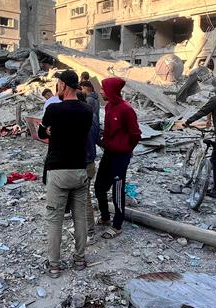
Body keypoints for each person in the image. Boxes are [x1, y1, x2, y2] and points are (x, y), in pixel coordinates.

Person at [38, 70, 93, 276]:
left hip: (57, 170)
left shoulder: (53, 109)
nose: (57, 87)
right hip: (79, 169)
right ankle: (79, 259)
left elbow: (42, 132)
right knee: (80, 218)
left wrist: (52, 131)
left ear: (63, 85)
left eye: (58, 83)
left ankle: (54, 265)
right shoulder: (87, 110)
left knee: (54, 219)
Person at [95, 77, 141, 239]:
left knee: (117, 189)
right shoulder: (108, 107)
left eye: (103, 88)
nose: (100, 91)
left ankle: (117, 224)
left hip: (120, 156)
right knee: (99, 186)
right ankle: (105, 216)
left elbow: (135, 134)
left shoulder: (126, 110)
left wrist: (128, 149)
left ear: (111, 91)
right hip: (108, 153)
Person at [80, 81, 101, 237]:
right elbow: (97, 137)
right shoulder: (93, 115)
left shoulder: (78, 117)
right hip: (90, 162)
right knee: (84, 196)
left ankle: (89, 230)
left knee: (83, 198)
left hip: (82, 163)